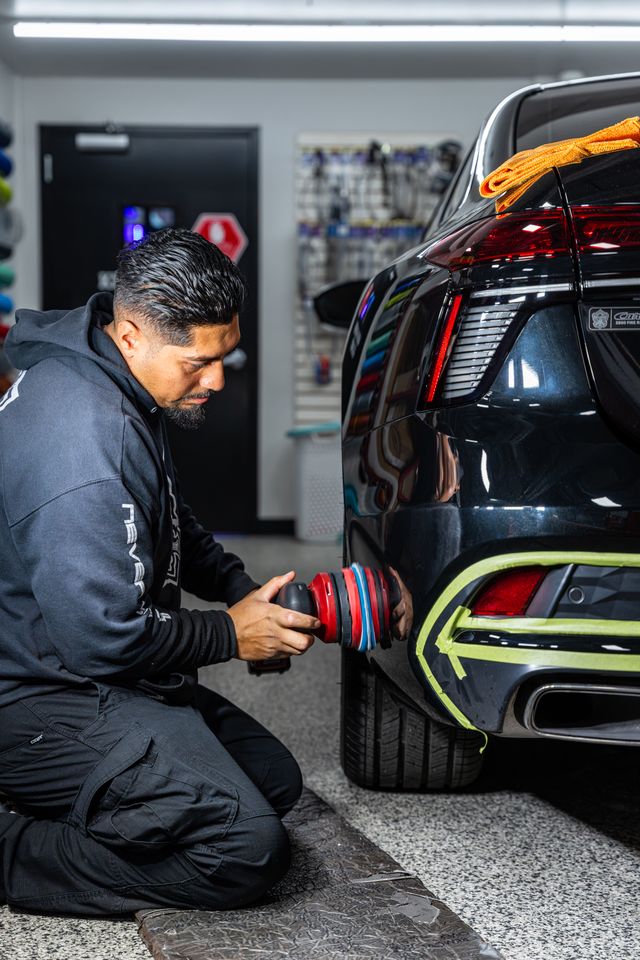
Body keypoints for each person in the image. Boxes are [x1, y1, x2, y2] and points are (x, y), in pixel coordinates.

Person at [0, 228, 321, 916]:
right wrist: (232, 635)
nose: (218, 380)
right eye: (199, 362)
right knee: (243, 848)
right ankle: (13, 847)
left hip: (96, 674)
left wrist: (242, 591)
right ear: (132, 334)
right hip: (39, 698)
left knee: (272, 780)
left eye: (226, 356)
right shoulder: (82, 437)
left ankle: (100, 800)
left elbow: (170, 522)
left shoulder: (114, 378)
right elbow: (102, 639)